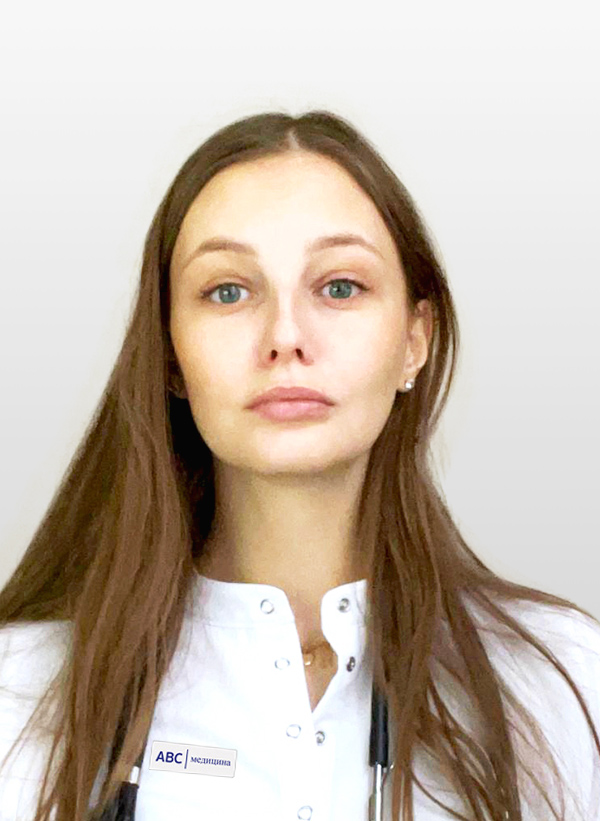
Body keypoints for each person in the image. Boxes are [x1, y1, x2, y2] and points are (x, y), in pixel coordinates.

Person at [0, 110, 599, 821]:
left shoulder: (559, 683)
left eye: (339, 286)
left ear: (415, 340)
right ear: (170, 355)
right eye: (228, 291)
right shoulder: (20, 695)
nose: (285, 336)